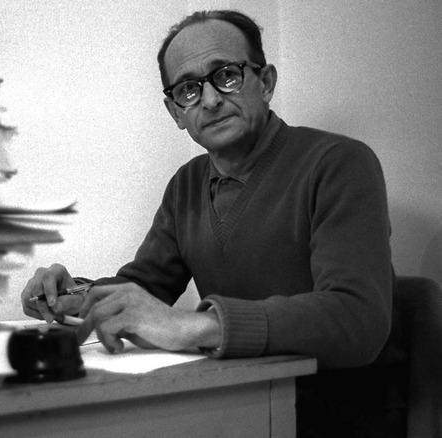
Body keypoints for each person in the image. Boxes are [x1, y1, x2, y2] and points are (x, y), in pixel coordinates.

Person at [21, 9, 405, 438]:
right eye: (188, 89)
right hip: (234, 403)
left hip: (335, 415)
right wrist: (77, 296)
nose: (209, 99)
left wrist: (194, 326)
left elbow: (357, 319)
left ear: (266, 82)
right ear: (175, 112)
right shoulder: (186, 184)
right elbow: (146, 287)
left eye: (226, 75)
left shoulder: (339, 164)